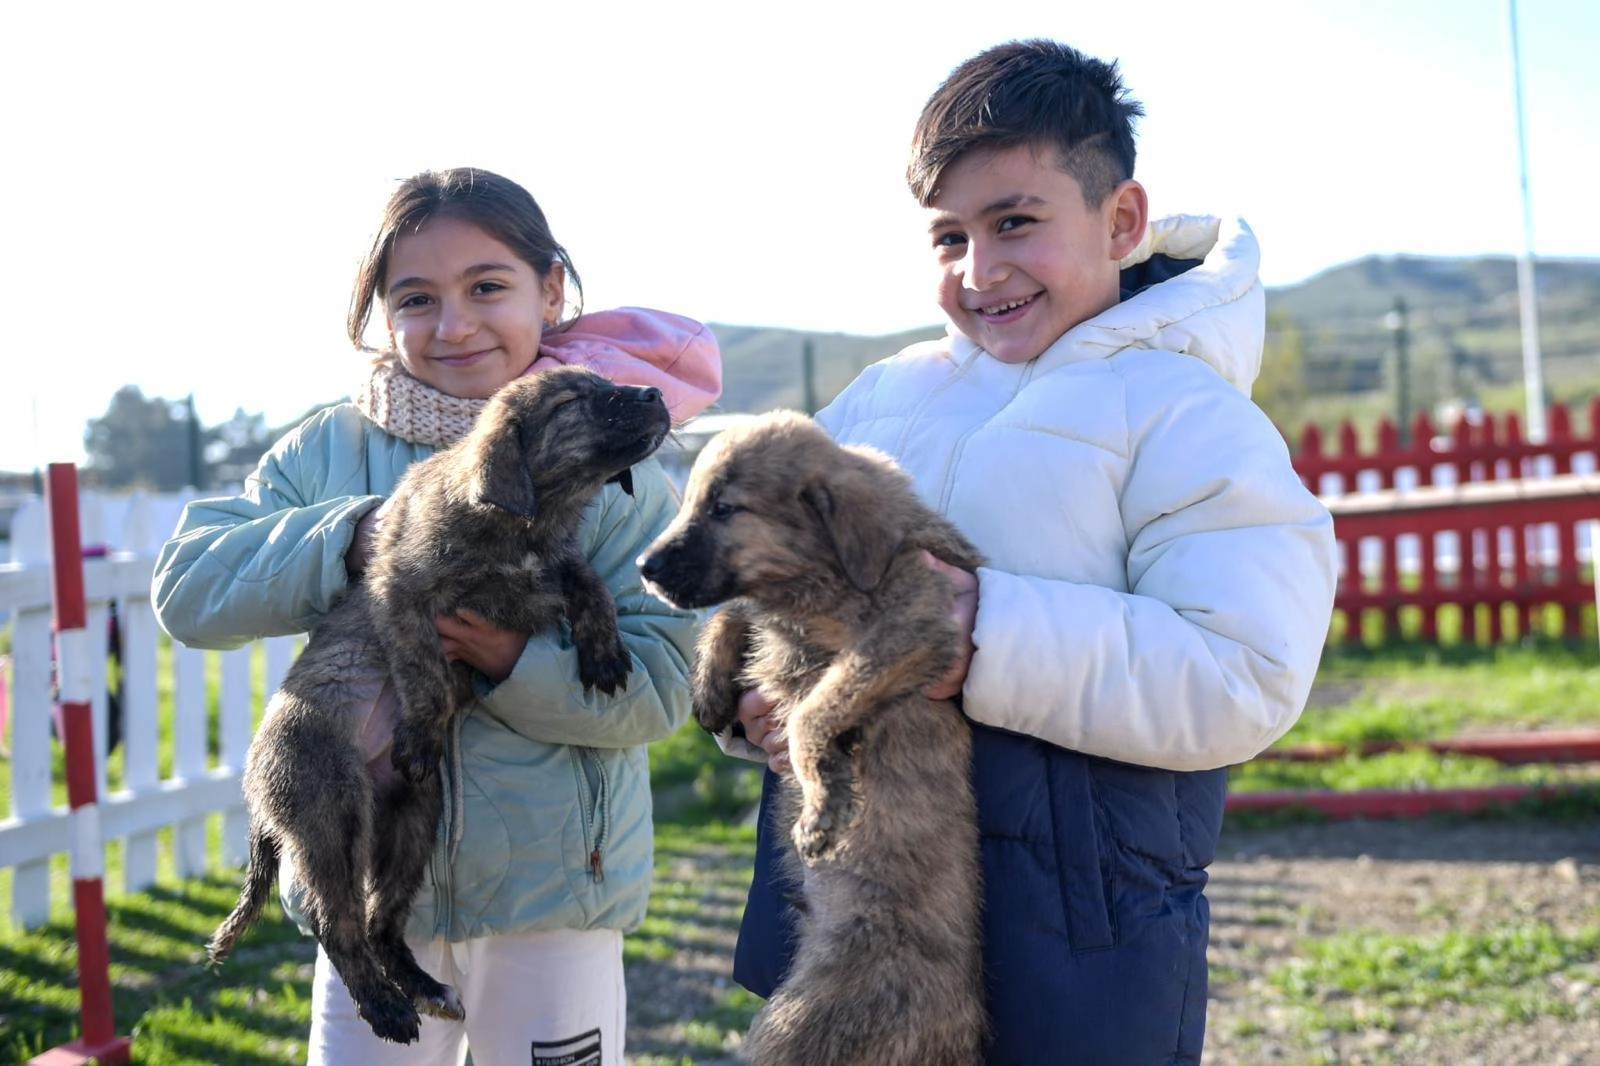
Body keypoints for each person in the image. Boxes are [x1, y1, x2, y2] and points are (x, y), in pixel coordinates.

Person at [724, 40, 1338, 1064]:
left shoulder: (1188, 416)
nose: (980, 269)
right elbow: (767, 585)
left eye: (1015, 222)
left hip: (1074, 930)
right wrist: (754, 701)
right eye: (948, 235)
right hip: (860, 911)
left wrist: (987, 635)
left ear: (1122, 219)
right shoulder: (882, 402)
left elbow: (1245, 670)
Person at [152, 166, 721, 1066]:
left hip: (551, 898)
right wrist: (352, 536)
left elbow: (658, 691)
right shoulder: (327, 451)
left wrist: (505, 662)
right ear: (382, 313)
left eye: (486, 287)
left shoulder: (618, 478)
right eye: (416, 298)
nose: (453, 325)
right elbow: (188, 590)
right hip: (374, 881)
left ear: (551, 289)